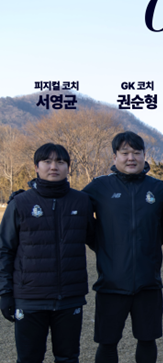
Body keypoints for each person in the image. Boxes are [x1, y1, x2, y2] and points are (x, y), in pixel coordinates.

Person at [0, 143, 94, 363]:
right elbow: (4, 250)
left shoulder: (82, 201)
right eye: (47, 161)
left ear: (68, 167)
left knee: (68, 357)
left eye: (60, 162)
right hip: (29, 299)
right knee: (29, 358)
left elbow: (98, 240)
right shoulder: (20, 203)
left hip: (69, 298)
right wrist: (5, 293)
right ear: (36, 167)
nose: (54, 167)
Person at [83, 131, 163, 363]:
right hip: (111, 284)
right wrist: (101, 242)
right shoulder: (99, 187)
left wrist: (150, 242)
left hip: (148, 283)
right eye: (125, 153)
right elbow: (72, 207)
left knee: (147, 340)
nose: (131, 158)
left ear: (144, 155)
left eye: (136, 152)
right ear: (114, 157)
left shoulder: (158, 188)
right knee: (107, 342)